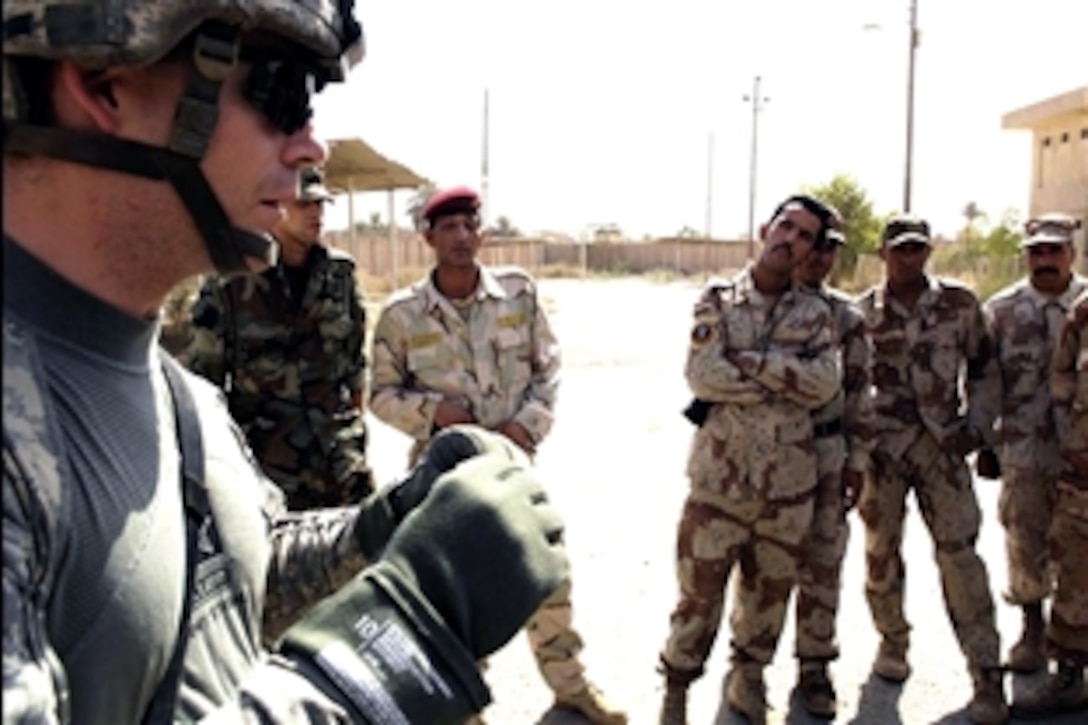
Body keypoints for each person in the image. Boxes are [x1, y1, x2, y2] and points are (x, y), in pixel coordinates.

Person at [2, 3, 569, 723]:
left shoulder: (182, 400)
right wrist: (385, 659)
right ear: (104, 81)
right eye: (282, 91)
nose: (312, 149)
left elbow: (243, 572)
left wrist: (387, 528)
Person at [369, 185, 626, 724]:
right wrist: (434, 412)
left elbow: (548, 370)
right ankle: (465, 706)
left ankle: (570, 685)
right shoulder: (402, 315)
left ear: (482, 233)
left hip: (513, 465)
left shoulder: (517, 294)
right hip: (442, 481)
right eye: (449, 228)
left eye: (470, 225)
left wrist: (525, 428)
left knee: (546, 575)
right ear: (429, 238)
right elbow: (380, 397)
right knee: (454, 594)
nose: (462, 237)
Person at [658, 194, 842, 725]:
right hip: (720, 482)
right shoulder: (717, 298)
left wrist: (752, 362)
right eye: (786, 226)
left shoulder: (817, 312)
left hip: (789, 487)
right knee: (698, 597)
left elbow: (823, 384)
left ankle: (748, 678)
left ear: (811, 248)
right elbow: (703, 376)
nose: (791, 239)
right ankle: (676, 690)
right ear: (766, 228)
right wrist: (787, 375)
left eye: (805, 235)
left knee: (768, 597)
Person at [855, 215, 1007, 723]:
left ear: (929, 251)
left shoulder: (960, 304)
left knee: (961, 560)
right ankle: (893, 643)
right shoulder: (861, 314)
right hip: (885, 453)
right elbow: (849, 387)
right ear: (882, 254)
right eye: (899, 249)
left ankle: (986, 674)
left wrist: (978, 429)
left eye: (918, 248)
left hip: (943, 450)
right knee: (881, 556)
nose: (909, 257)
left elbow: (986, 370)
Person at [728, 223, 875, 719]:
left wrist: (856, 461)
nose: (819, 257)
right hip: (766, 453)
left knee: (822, 562)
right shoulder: (763, 306)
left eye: (831, 249)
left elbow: (859, 394)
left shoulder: (845, 317)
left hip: (826, 451)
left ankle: (815, 666)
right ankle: (748, 667)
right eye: (815, 245)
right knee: (762, 567)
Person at [180, 164, 374, 510]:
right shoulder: (231, 282)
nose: (317, 213)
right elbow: (203, 385)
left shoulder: (340, 275)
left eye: (321, 205)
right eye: (304, 205)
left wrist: (353, 428)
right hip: (266, 468)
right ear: (277, 208)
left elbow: (356, 365)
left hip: (340, 462)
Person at [982, 212, 1088, 674]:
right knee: (1024, 541)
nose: (1045, 260)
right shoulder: (1001, 311)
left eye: (1054, 251)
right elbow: (986, 382)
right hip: (1024, 450)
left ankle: (1074, 642)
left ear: (1073, 254)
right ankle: (1032, 630)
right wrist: (986, 442)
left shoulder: (1087, 305)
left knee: (1080, 549)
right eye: (1036, 252)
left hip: (1081, 453)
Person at [1011, 281, 1088, 718]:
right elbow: (1061, 372)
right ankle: (1070, 677)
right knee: (1074, 566)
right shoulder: (1084, 312)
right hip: (1082, 470)